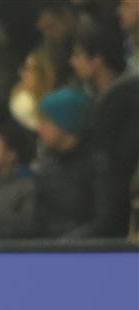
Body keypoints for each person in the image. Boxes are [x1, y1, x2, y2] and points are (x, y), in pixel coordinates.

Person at [69, 23, 139, 237]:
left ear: (97, 60)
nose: (72, 62)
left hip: (115, 222)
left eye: (79, 55)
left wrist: (101, 227)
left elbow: (115, 168)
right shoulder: (105, 100)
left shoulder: (121, 103)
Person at [34, 87, 94, 238]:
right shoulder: (48, 167)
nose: (39, 128)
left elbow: (105, 222)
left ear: (65, 123)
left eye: (46, 121)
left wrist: (64, 245)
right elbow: (39, 220)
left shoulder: (98, 166)